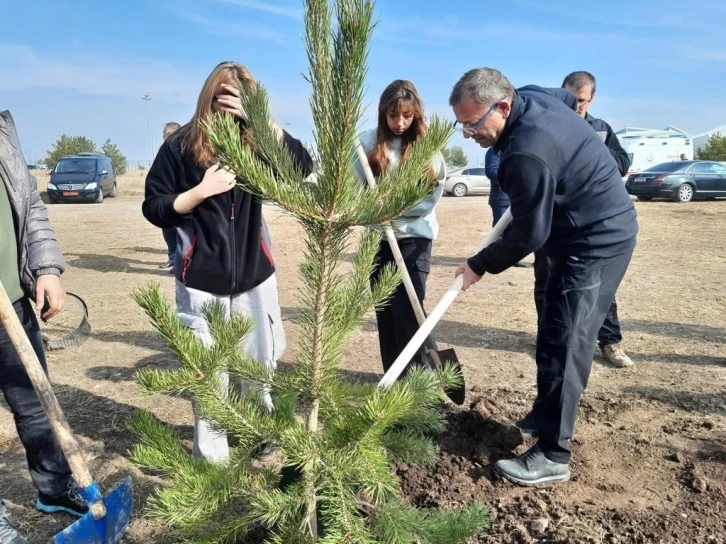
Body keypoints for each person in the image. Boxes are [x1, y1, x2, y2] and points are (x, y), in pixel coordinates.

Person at [449, 68, 638, 486]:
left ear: (502, 105)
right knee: (553, 325)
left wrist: (480, 264)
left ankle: (554, 454)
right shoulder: (535, 94)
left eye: (473, 123)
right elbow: (571, 102)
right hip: (575, 232)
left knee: (568, 339)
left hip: (596, 239)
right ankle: (546, 413)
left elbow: (530, 233)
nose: (467, 134)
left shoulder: (525, 154)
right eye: (460, 123)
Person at [142, 61, 313, 462]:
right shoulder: (180, 146)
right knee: (210, 377)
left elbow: (301, 168)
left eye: (240, 103)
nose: (231, 112)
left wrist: (265, 123)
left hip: (256, 277)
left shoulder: (256, 141)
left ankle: (261, 435)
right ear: (209, 98)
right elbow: (154, 206)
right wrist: (200, 192)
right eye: (224, 101)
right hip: (202, 281)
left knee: (259, 368)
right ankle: (212, 459)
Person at [1, 110, 88, 544]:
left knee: (35, 401)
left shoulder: (1, 126)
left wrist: (46, 268)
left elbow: (28, 203)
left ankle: (53, 487)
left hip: (12, 300)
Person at [526, 71, 630, 368]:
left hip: (591, 222)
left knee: (600, 286)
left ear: (592, 99)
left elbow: (623, 163)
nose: (576, 107)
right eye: (571, 99)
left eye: (582, 101)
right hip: (552, 220)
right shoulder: (547, 126)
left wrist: (590, 150)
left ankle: (610, 342)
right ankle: (548, 335)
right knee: (546, 280)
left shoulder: (600, 129)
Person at [353, 80, 446, 376]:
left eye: (407, 116)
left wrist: (389, 210)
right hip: (378, 241)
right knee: (386, 312)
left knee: (409, 313)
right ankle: (392, 379)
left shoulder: (427, 149)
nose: (400, 123)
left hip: (413, 241)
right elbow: (354, 190)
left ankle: (417, 383)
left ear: (416, 115)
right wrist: (370, 210)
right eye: (394, 116)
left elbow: (429, 199)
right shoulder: (366, 143)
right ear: (384, 114)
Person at [485, 147, 527, 268]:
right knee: (500, 231)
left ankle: (512, 259)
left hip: (517, 199)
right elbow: (491, 171)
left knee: (517, 231)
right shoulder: (494, 151)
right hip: (501, 200)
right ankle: (496, 259)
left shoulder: (516, 148)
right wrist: (514, 173)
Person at [158, 122, 182, 271]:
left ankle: (179, 263)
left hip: (179, 199)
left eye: (165, 133)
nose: (163, 136)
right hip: (165, 198)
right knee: (168, 230)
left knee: (180, 232)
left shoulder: (183, 150)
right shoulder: (164, 151)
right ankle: (173, 259)